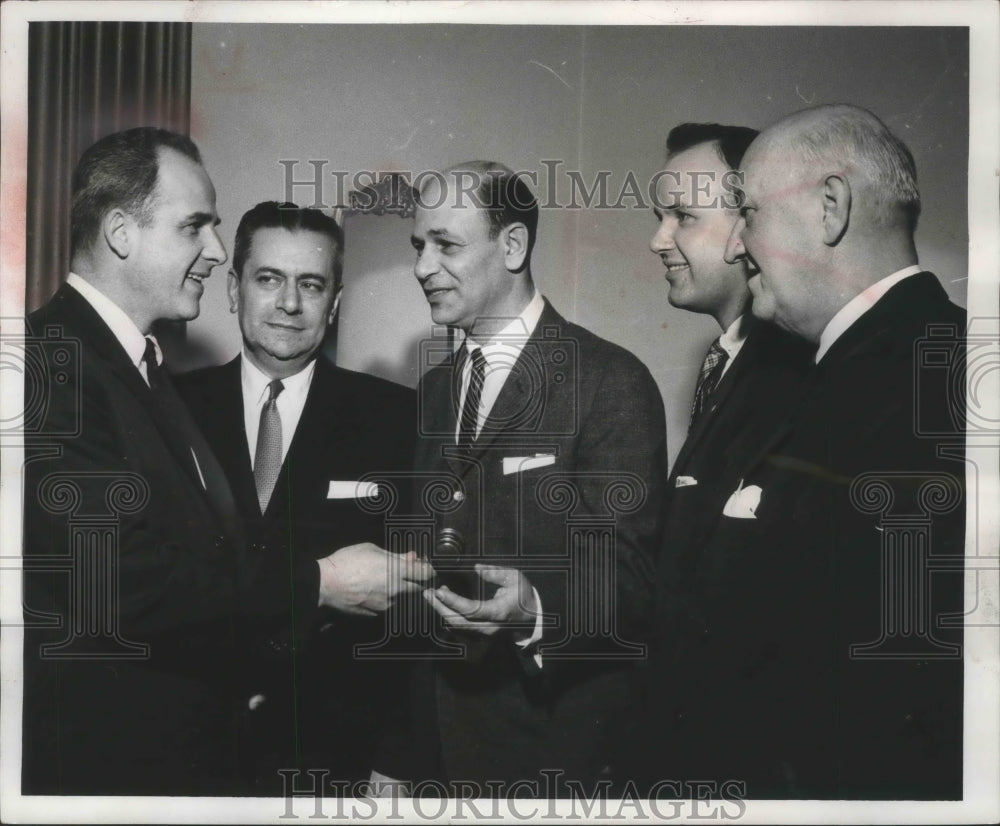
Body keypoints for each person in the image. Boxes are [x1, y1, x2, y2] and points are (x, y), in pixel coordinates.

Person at [21, 128, 432, 795]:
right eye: (194, 228)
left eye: (311, 284)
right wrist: (319, 583)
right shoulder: (51, 362)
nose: (212, 251)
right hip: (116, 770)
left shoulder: (138, 370)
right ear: (122, 233)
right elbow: (120, 579)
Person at [651, 104, 965, 798]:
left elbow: (894, 689)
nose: (739, 247)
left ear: (830, 208)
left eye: (752, 215)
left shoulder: (921, 379)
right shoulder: (877, 367)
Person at [374, 162, 668, 796]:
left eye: (446, 245)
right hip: (437, 762)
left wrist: (531, 604)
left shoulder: (610, 381)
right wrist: (400, 753)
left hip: (552, 764)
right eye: (418, 246)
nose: (423, 267)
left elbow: (632, 581)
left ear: (512, 246)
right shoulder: (432, 392)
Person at [177, 202, 417, 793]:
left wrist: (400, 757)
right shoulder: (169, 410)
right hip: (189, 749)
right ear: (233, 290)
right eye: (268, 279)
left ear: (335, 303)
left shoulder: (397, 418)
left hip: (336, 760)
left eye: (311, 284)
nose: (289, 304)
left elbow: (416, 610)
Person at [641, 123, 813, 787]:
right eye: (660, 217)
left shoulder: (801, 381)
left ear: (751, 228)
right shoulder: (730, 367)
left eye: (683, 216)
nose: (659, 240)